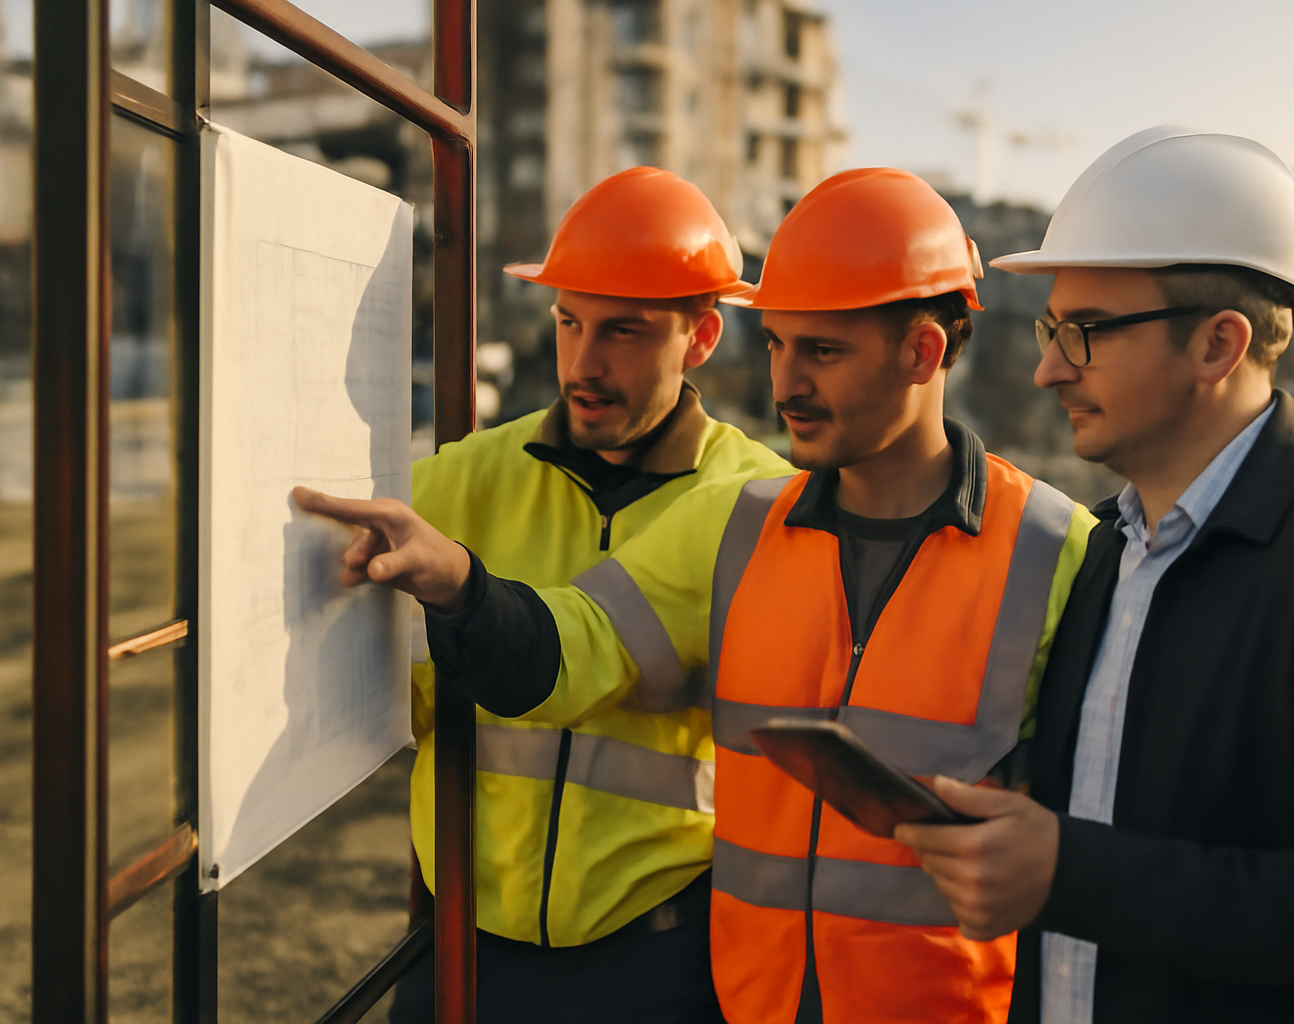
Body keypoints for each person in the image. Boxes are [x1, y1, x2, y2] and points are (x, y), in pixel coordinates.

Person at [296, 167, 1098, 1023]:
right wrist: (459, 586)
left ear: (923, 351)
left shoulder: (1060, 551)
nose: (787, 382)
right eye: (780, 344)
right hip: (739, 998)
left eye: (820, 351)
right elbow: (579, 647)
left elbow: (1110, 822)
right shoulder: (743, 523)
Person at [894, 126, 1294, 1024]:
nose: (1048, 366)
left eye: (1086, 332)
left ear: (1219, 345)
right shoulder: (1101, 553)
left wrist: (1071, 870)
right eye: (1053, 328)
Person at [314, 166, 792, 1023]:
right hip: (465, 947)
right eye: (569, 322)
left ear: (704, 336)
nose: (584, 362)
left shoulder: (761, 501)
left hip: (657, 959)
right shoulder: (460, 481)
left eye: (625, 332)